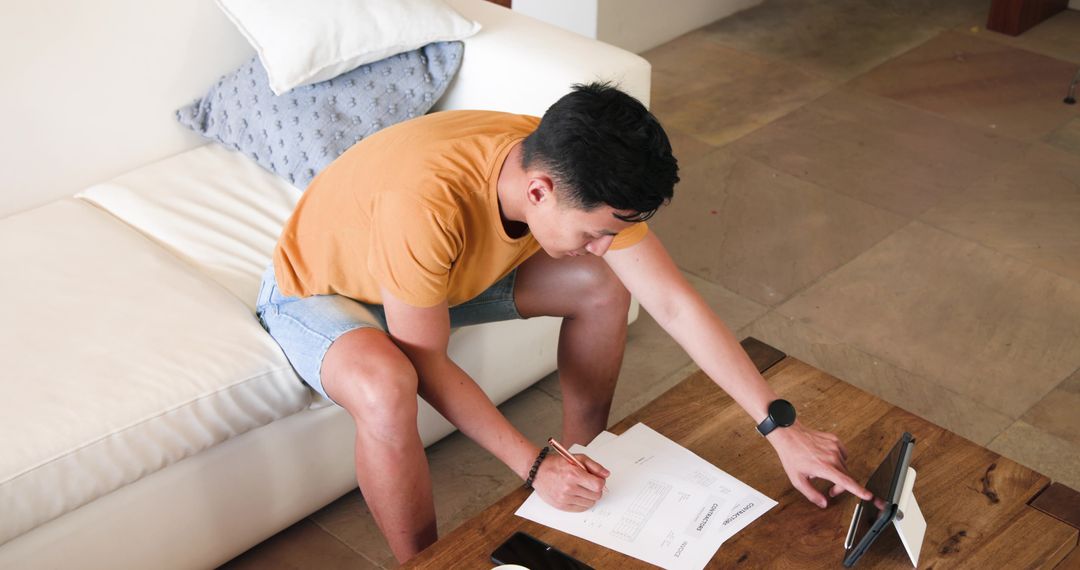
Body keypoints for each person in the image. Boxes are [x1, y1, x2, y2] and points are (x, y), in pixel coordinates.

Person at [256, 82, 872, 563]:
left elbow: (673, 302)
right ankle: (428, 563)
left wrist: (778, 427)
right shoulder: (425, 204)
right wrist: (530, 466)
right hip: (323, 288)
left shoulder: (573, 166)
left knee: (606, 286)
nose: (606, 243)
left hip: (438, 281)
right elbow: (426, 362)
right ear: (541, 192)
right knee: (388, 385)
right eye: (598, 232)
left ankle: (584, 461)